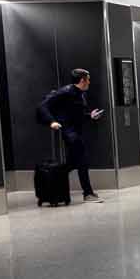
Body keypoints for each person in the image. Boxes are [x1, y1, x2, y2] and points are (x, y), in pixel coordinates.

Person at [39, 68, 106, 203]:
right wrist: (51, 121)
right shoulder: (65, 92)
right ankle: (88, 193)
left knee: (72, 163)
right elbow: (43, 106)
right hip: (69, 132)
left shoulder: (80, 94)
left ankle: (50, 177)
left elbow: (75, 114)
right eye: (88, 80)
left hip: (76, 131)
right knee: (82, 161)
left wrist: (90, 116)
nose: (89, 82)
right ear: (82, 80)